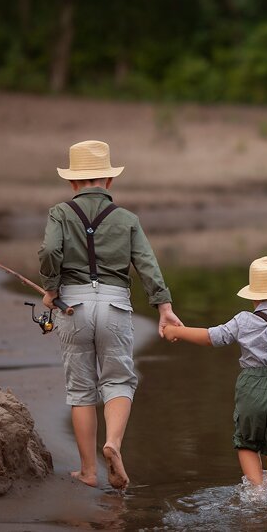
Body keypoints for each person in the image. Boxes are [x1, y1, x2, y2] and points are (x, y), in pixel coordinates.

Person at [38, 139, 183, 490]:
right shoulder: (127, 219)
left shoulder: (60, 212)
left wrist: (51, 287)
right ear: (109, 182)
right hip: (116, 305)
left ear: (73, 183)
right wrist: (163, 307)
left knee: (81, 390)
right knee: (118, 380)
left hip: (73, 306)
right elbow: (147, 264)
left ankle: (88, 471)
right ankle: (113, 444)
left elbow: (49, 250)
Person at [164, 255, 267, 496]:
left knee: (248, 444)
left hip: (251, 388)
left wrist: (176, 330)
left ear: (254, 297)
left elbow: (211, 337)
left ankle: (257, 492)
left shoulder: (243, 320)